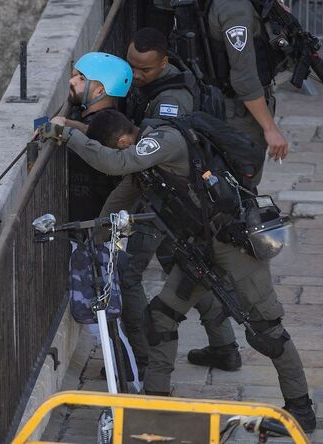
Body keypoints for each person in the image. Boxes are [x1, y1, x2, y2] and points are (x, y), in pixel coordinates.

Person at [39, 110, 317, 432]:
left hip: (232, 246)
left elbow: (116, 164)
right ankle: (156, 402)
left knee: (268, 328)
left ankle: (300, 409)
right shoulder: (145, 169)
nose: (121, 155)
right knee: (161, 317)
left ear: (124, 140)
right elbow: (120, 198)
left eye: (118, 149)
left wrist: (64, 134)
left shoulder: (164, 141)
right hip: (199, 250)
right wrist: (95, 239)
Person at [123, 28, 243, 374]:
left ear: (163, 62)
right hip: (172, 200)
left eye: (144, 70)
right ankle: (224, 347)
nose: (136, 75)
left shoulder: (172, 101)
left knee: (128, 273)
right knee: (190, 272)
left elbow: (151, 156)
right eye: (131, 66)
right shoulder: (161, 78)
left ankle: (141, 358)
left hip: (166, 201)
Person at [206, 0, 290, 185]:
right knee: (241, 187)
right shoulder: (235, 8)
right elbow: (244, 79)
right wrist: (270, 128)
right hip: (239, 112)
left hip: (241, 107)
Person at [65, 52, 133, 221]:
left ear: (100, 91)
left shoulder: (110, 128)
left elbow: (92, 132)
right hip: (86, 223)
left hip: (96, 228)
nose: (71, 82)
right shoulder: (106, 116)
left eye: (81, 78)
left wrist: (60, 124)